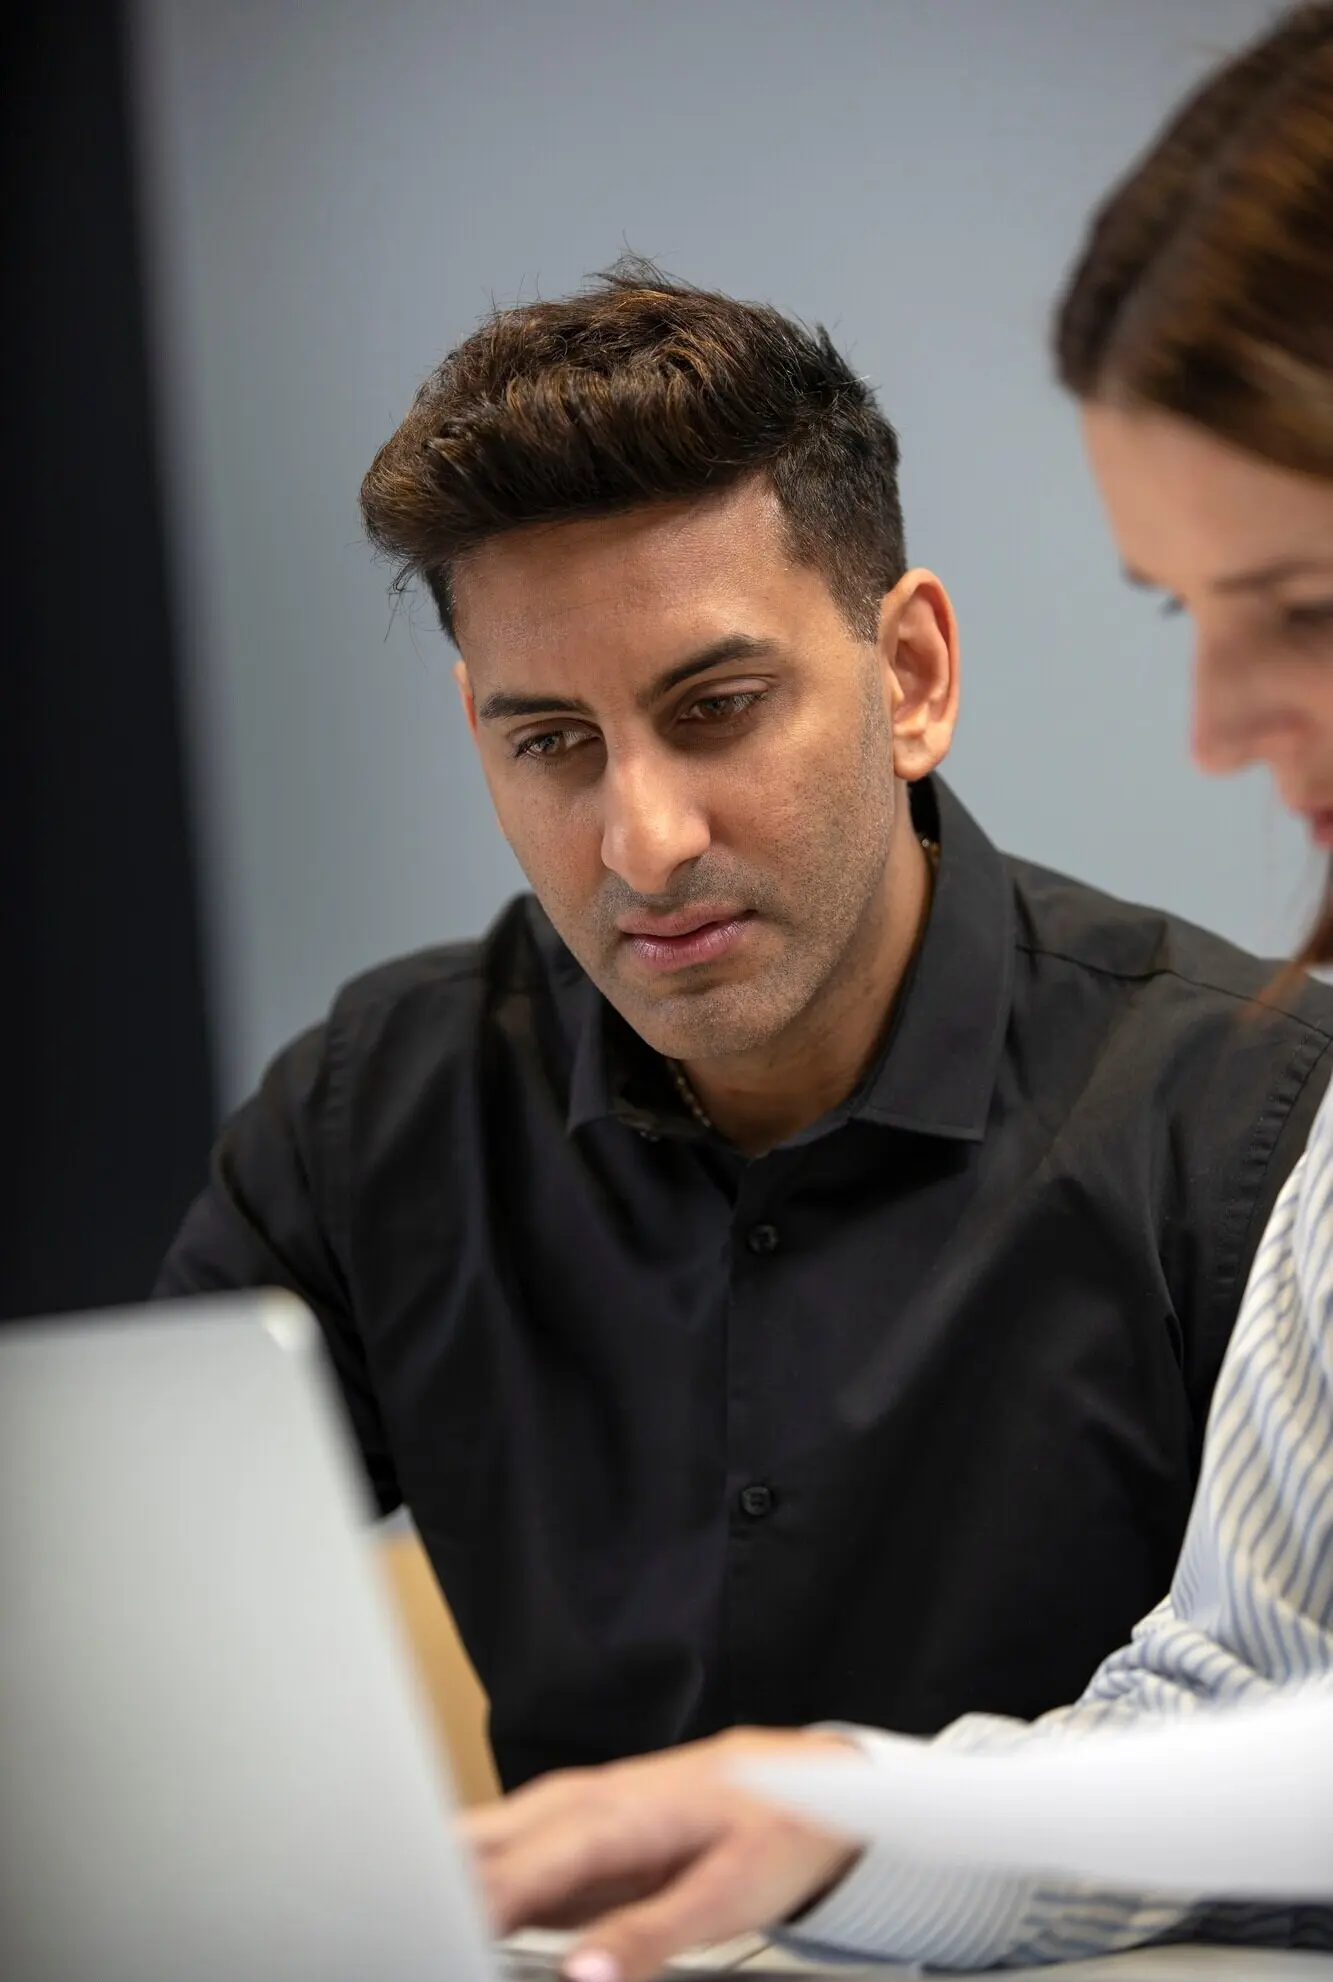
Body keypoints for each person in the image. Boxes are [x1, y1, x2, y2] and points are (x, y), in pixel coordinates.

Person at [162, 274, 1329, 1817]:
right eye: (551, 745)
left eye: (715, 708)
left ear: (910, 678)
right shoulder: (365, 1117)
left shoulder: (1257, 1125)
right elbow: (131, 1631)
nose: (644, 843)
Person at [459, 6, 1333, 1982]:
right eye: (1183, 613)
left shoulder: (1243, 1088)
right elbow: (1249, 1690)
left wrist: (867, 1804)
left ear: (906, 673)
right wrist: (842, 1817)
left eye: (1303, 608)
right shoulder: (378, 1101)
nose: (1212, 727)